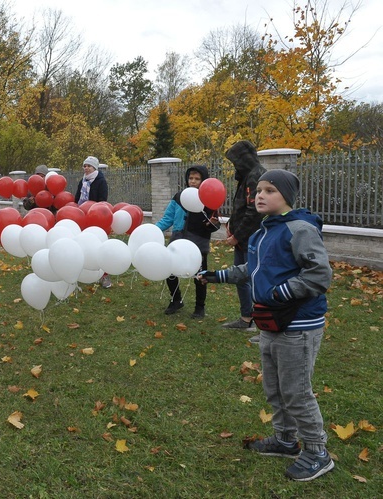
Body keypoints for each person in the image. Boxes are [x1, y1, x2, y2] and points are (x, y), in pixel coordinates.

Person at [199, 169, 334, 482]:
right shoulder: (263, 232)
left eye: (270, 190)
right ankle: (286, 441)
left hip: (298, 324)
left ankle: (317, 453)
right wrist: (217, 276)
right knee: (274, 388)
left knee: (296, 392)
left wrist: (282, 292)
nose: (260, 195)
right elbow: (253, 268)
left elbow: (319, 274)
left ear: (286, 196)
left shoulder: (299, 228)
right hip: (270, 323)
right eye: (258, 190)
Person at [155, 165, 220, 318]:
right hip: (178, 241)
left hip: (198, 243)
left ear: (203, 181)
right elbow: (167, 218)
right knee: (169, 271)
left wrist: (212, 224)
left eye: (197, 179)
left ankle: (199, 307)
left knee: (200, 276)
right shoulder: (179, 197)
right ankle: (176, 299)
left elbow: (214, 224)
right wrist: (153, 231)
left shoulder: (208, 199)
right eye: (191, 178)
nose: (193, 181)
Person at [222, 140, 266, 331]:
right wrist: (232, 226)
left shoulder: (256, 177)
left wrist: (237, 236)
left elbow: (253, 212)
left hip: (252, 239)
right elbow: (241, 208)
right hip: (243, 240)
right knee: (240, 278)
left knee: (256, 280)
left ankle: (262, 323)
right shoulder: (247, 176)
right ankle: (246, 318)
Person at [74, 156, 112, 288]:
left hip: (96, 218)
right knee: (83, 244)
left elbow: (103, 201)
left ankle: (104, 276)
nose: (85, 168)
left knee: (100, 245)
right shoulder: (82, 181)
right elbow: (76, 199)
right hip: (83, 218)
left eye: (88, 166)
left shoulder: (101, 181)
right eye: (84, 166)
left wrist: (91, 209)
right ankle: (82, 272)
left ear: (94, 167)